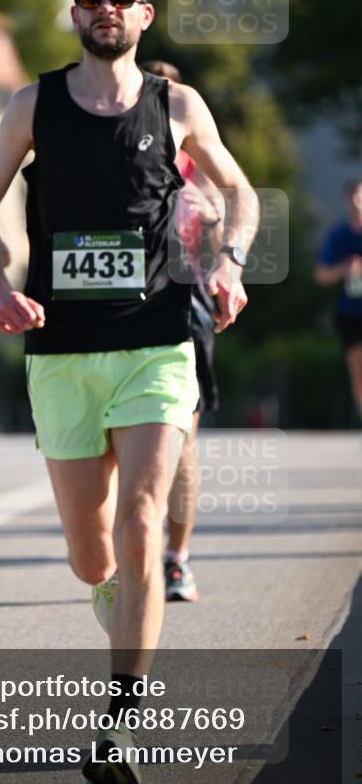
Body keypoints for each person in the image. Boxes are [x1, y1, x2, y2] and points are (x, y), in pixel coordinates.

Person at [0, 0, 258, 784]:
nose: (105, 8)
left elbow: (238, 192)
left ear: (144, 16)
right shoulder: (34, 104)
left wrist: (232, 262)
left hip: (157, 333)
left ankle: (118, 721)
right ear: (75, 14)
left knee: (140, 520)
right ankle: (111, 593)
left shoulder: (178, 103)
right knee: (88, 552)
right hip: (61, 344)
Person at [142, 60, 227, 603]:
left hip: (184, 309)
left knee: (183, 442)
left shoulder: (194, 164)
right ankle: (126, 552)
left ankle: (176, 560)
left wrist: (211, 218)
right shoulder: (109, 153)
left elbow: (228, 210)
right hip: (115, 311)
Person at [314, 177, 362, 420]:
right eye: (352, 196)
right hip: (350, 312)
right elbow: (320, 274)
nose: (356, 201)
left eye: (360, 195)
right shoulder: (338, 236)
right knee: (358, 370)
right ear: (346, 199)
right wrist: (344, 269)